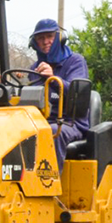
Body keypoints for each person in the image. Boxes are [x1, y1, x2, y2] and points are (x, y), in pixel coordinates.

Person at [28, 18, 90, 171]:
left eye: (50, 36)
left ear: (59, 38)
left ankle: (49, 184)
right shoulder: (33, 69)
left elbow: (77, 94)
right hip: (41, 122)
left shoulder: (76, 62)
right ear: (35, 43)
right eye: (41, 38)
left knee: (53, 131)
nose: (46, 41)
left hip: (70, 123)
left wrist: (53, 79)